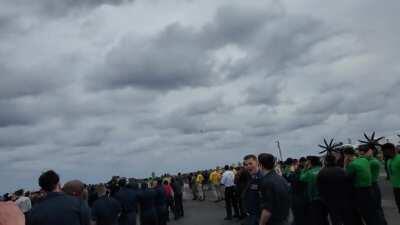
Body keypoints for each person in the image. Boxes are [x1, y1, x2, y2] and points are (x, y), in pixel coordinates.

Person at [317, 153, 358, 225]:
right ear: (335, 161)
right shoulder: (341, 170)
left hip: (330, 200)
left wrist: (324, 199)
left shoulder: (321, 173)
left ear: (325, 161)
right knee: (347, 218)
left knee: (335, 218)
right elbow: (348, 182)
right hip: (343, 198)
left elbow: (319, 188)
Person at [344, 146, 380, 225]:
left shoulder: (352, 165)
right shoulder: (364, 160)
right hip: (370, 189)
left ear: (346, 155)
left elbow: (346, 177)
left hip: (360, 191)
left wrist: (345, 163)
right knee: (372, 212)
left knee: (364, 213)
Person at [358, 144, 388, 225]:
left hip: (372, 186)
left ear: (368, 152)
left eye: (362, 154)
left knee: (375, 210)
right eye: (360, 154)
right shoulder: (370, 160)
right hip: (372, 186)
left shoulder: (371, 162)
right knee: (377, 209)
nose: (361, 156)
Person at [258, 153, 290, 225]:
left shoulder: (266, 182)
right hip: (284, 219)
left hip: (273, 221)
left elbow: (267, 210)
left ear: (260, 165)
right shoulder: (281, 179)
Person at [299, 156, 328, 225]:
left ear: (311, 163)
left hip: (315, 199)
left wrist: (305, 168)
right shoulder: (324, 170)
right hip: (326, 198)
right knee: (325, 217)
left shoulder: (309, 173)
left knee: (318, 219)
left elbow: (301, 178)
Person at [243, 154, 262, 225]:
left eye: (250, 163)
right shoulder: (251, 177)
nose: (248, 166)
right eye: (245, 164)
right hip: (252, 214)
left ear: (257, 163)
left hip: (259, 216)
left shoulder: (262, 178)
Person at [385, 142, 400, 213]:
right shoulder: (388, 160)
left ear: (390, 150)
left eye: (384, 151)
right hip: (395, 188)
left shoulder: (399, 159)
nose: (383, 153)